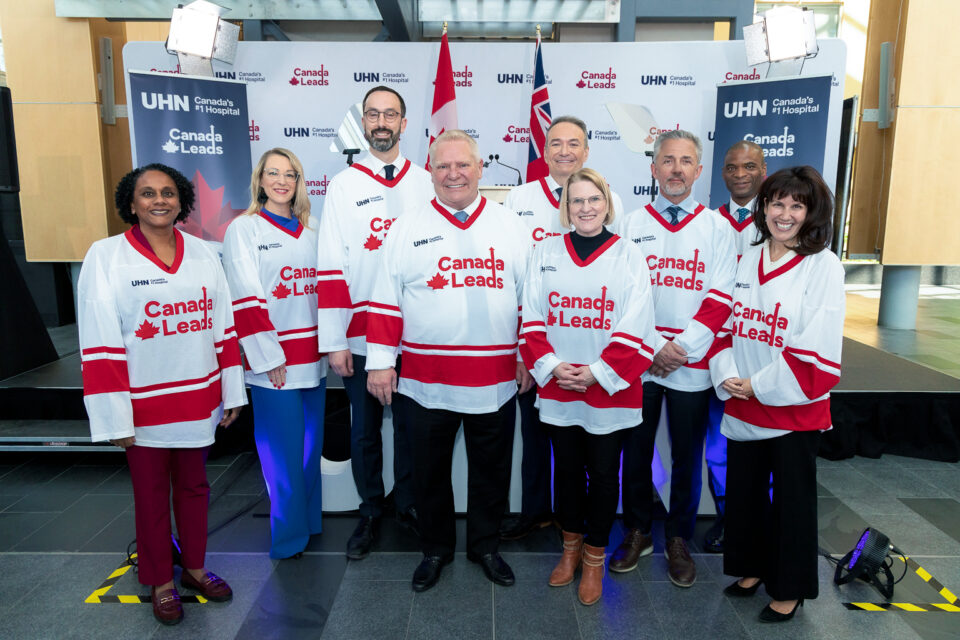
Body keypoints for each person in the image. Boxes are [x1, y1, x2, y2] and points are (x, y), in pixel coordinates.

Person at [365, 130, 533, 592]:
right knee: (429, 472)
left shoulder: (510, 225)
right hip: (425, 380)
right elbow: (385, 300)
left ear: (481, 169)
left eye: (463, 165)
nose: (454, 174)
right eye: (443, 166)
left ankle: (485, 545)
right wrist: (380, 361)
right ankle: (436, 548)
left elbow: (530, 300)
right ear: (431, 171)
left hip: (496, 376)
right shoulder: (405, 228)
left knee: (491, 470)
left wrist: (527, 356)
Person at [78, 164, 246, 625]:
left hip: (196, 398)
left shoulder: (202, 254)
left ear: (182, 201)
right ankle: (160, 580)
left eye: (168, 192)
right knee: (151, 494)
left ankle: (193, 567)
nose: (159, 200)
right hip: (141, 406)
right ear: (130, 203)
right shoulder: (106, 255)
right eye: (147, 193)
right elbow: (99, 340)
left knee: (194, 488)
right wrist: (114, 417)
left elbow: (222, 326)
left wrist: (231, 390)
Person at [711, 166, 844, 623]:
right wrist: (729, 373)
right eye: (777, 203)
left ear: (812, 212)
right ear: (763, 207)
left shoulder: (823, 265)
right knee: (744, 494)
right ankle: (749, 567)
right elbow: (724, 325)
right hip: (743, 401)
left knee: (791, 503)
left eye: (796, 205)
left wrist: (759, 384)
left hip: (791, 409)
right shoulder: (747, 259)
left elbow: (817, 346)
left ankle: (789, 587)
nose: (784, 214)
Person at [520, 168, 657, 605]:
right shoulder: (544, 251)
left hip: (609, 390)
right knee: (565, 473)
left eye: (593, 199)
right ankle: (570, 548)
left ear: (607, 202)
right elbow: (531, 316)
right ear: (565, 208)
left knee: (602, 476)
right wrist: (555, 366)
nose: (586, 208)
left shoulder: (629, 255)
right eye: (576, 201)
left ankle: (594, 558)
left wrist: (597, 371)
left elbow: (639, 322)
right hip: (560, 385)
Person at [613, 130, 736, 587]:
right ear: (653, 168)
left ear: (699, 171)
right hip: (640, 363)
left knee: (687, 457)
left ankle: (678, 538)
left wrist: (681, 346)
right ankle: (639, 530)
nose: (676, 169)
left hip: (691, 363)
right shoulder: (629, 224)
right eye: (668, 160)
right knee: (636, 453)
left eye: (686, 161)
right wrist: (650, 348)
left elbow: (722, 296)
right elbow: (622, 295)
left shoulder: (717, 228)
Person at [316, 86, 434, 560]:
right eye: (373, 114)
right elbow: (330, 265)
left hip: (418, 334)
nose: (381, 122)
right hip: (360, 333)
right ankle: (370, 510)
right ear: (363, 123)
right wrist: (334, 338)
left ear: (405, 123)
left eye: (391, 114)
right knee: (364, 429)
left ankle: (406, 502)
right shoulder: (344, 184)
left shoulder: (426, 182)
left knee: (411, 426)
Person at [500, 115, 626, 541]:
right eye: (556, 143)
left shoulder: (612, 198)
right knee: (536, 436)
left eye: (574, 143)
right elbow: (515, 275)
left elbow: (614, 271)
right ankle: (537, 510)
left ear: (587, 151)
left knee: (589, 448)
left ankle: (582, 525)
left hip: (591, 344)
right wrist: (526, 352)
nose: (565, 151)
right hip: (536, 342)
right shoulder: (517, 198)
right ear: (544, 150)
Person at [222, 148, 326, 560]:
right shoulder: (243, 229)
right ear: (260, 180)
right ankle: (288, 539)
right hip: (274, 363)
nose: (281, 181)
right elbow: (244, 296)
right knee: (280, 459)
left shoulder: (313, 227)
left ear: (300, 181)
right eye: (273, 173)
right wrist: (267, 357)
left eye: (290, 174)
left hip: (314, 359)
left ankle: (310, 523)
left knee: (308, 450)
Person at [702, 140, 768, 554]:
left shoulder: (779, 219)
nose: (740, 174)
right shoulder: (708, 222)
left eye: (749, 166)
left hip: (763, 351)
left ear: (764, 169)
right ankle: (729, 517)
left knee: (765, 440)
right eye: (731, 167)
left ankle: (764, 518)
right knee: (718, 442)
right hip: (718, 350)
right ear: (721, 173)